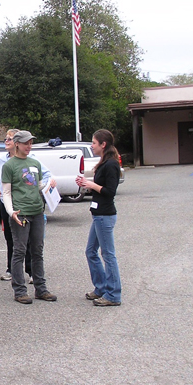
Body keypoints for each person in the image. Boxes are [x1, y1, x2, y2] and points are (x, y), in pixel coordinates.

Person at [0, 129, 56, 283]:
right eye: (26, 143)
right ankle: (19, 287)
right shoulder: (8, 164)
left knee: (37, 250)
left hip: (37, 211)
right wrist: (10, 210)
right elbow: (5, 190)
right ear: (17, 144)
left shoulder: (34, 162)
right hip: (18, 211)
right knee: (18, 249)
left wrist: (49, 186)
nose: (29, 146)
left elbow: (38, 184)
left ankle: (40, 285)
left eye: (31, 143)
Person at [76, 129, 122, 306]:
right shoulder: (104, 163)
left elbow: (110, 191)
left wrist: (92, 184)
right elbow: (99, 188)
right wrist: (86, 185)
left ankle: (113, 294)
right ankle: (101, 287)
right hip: (98, 214)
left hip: (105, 215)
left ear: (103, 145)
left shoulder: (111, 164)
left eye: (94, 143)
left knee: (108, 255)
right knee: (90, 252)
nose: (91, 145)